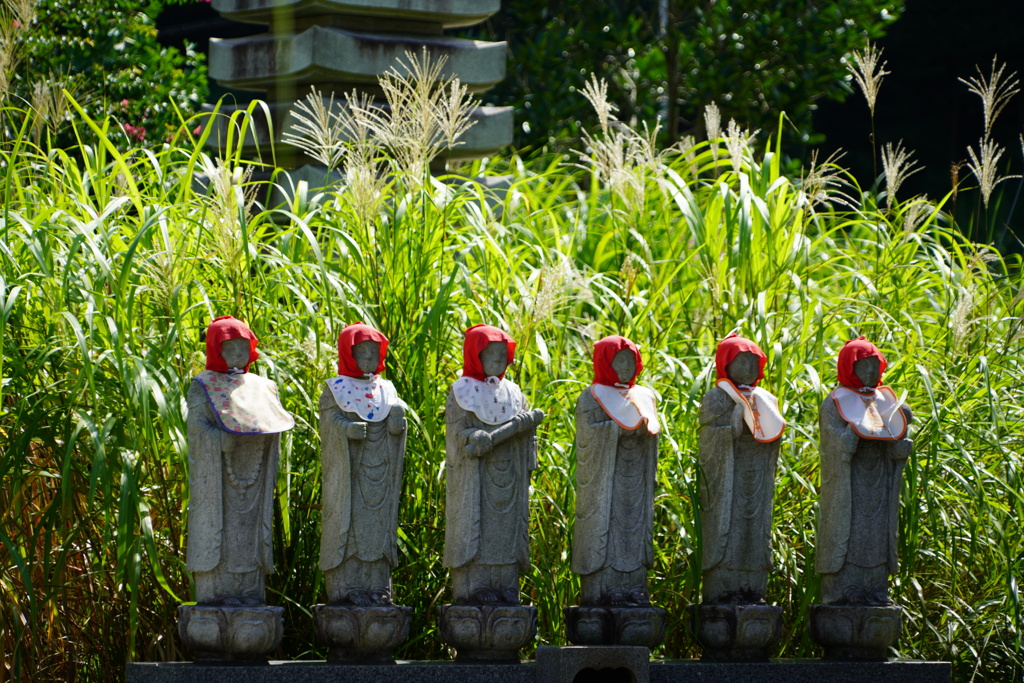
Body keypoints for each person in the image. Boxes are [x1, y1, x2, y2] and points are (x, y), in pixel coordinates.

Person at [186, 316, 294, 606]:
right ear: (216, 350)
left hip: (254, 476)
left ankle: (248, 592)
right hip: (219, 478)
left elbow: (275, 423)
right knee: (221, 532)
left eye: (242, 348)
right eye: (230, 348)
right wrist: (218, 441)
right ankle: (217, 593)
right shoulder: (202, 385)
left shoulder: (262, 386)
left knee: (249, 534)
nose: (237, 355)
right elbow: (196, 428)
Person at [442, 324, 544, 605]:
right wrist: (471, 435)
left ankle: (506, 584)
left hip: (509, 473)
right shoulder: (462, 392)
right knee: (479, 528)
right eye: (492, 353)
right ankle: (477, 584)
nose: (498, 359)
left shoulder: (514, 393)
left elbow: (525, 430)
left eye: (503, 353)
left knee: (507, 528)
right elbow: (456, 433)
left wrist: (524, 429)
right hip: (477, 477)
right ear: (476, 355)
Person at [817, 337, 912, 605]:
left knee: (876, 530)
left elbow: (896, 433)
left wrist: (900, 448)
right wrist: (846, 438)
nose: (870, 372)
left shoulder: (886, 400)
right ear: (849, 368)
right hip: (849, 480)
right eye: (863, 366)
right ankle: (846, 588)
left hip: (879, 478)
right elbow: (831, 440)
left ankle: (875, 587)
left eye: (874, 366)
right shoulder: (835, 402)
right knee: (850, 527)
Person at [319, 322, 408, 606]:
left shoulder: (387, 389)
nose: (369, 357)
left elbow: (397, 423)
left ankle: (378, 584)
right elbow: (329, 421)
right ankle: (350, 585)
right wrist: (344, 429)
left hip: (381, 469)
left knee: (380, 529)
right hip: (350, 472)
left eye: (374, 351)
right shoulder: (336, 389)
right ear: (348, 354)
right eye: (362, 352)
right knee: (351, 526)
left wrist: (397, 424)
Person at [572, 335, 660, 607]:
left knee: (633, 528)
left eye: (630, 361)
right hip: (605, 479)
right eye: (618, 361)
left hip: (636, 474)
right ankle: (606, 588)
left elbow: (654, 432)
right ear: (604, 362)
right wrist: (615, 431)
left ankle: (633, 586)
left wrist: (645, 432)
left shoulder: (644, 395)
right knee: (606, 528)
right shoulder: (592, 396)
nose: (626, 367)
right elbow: (587, 437)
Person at [698, 333, 785, 604]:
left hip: (757, 472)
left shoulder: (765, 398)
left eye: (753, 363)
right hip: (727, 476)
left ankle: (753, 586)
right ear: (726, 363)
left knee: (755, 527)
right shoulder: (717, 398)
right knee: (729, 526)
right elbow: (707, 437)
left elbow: (774, 434)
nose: (748, 369)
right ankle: (725, 587)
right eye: (742, 362)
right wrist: (732, 426)